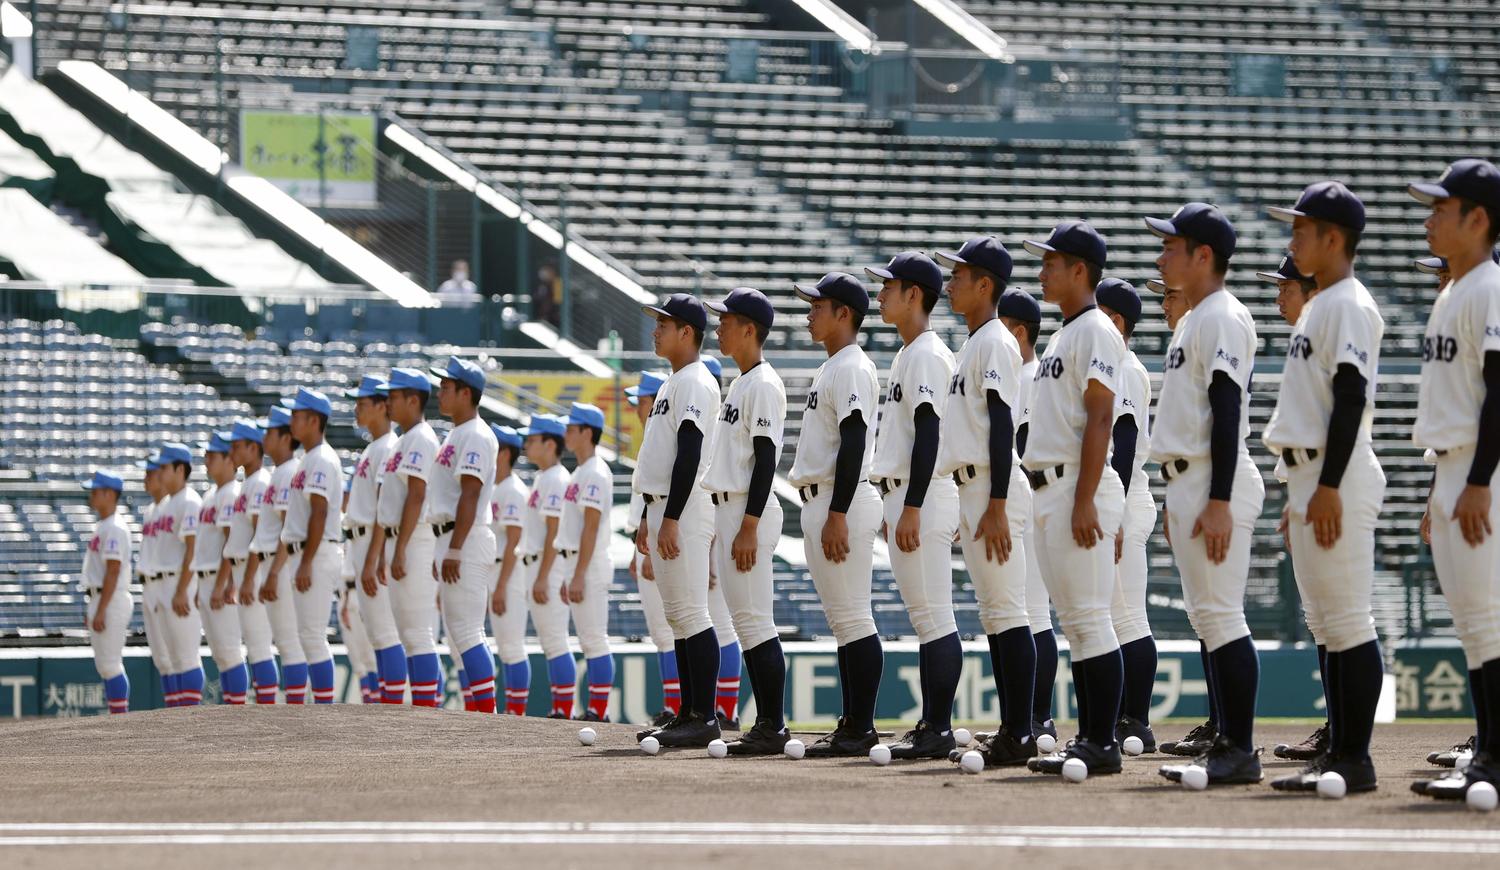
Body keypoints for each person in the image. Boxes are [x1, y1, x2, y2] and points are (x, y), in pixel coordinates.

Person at [1261, 181, 1386, 794]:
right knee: (1329, 624)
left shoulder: (1350, 304)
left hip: (1337, 473)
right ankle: (1337, 748)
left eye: (1301, 230)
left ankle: (1354, 758)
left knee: (1347, 620)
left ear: (1332, 239)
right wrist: (1301, 488)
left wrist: (1329, 484)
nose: (1293, 240)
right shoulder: (1320, 307)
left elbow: (1351, 395)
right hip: (1312, 473)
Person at [1147, 203, 1265, 787]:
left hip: (1213, 478)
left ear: (1204, 256)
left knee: (1220, 615)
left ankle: (1239, 749)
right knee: (1207, 616)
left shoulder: (1220, 315)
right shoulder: (1196, 317)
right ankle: (1225, 740)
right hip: (1189, 479)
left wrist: (1216, 498)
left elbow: (1226, 409)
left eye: (1173, 246)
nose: (1162, 253)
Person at [1018, 221, 1127, 778]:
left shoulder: (1096, 331)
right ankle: (1089, 737)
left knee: (1090, 618)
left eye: (1051, 262)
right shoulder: (1065, 335)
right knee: (1076, 622)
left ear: (1079, 270)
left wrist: (1084, 497)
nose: (1042, 270)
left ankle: (1102, 742)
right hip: (1049, 488)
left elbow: (1102, 415)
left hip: (1076, 488)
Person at [1408, 159, 1500, 801]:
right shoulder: (1453, 291)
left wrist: (1476, 479)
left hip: (1478, 469)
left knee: (1489, 622)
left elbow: (1498, 390)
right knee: (1472, 623)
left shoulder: (1490, 286)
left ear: (1479, 219)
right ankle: (1487, 754)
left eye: (1443, 208)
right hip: (1451, 466)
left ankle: (1494, 758)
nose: (1429, 218)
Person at [934, 238, 1037, 767]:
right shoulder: (976, 342)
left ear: (986, 285)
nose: (950, 282)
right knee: (996, 616)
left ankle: (1020, 731)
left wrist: (994, 502)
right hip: (974, 488)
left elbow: (1002, 424)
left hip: (993, 488)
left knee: (1006, 612)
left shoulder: (995, 340)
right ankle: (1012, 729)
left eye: (960, 274)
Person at [866, 252, 963, 761]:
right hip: (908, 493)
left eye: (889, 285)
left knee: (934, 617)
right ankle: (932, 724)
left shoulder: (925, 353)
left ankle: (938, 728)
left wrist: (913, 505)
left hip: (921, 495)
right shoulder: (910, 352)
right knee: (927, 617)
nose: (880, 293)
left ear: (915, 295)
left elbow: (930, 434)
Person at [788, 272, 884, 758]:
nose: (810, 313)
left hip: (838, 500)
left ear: (843, 313)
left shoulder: (850, 366)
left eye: (818, 305)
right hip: (824, 499)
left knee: (853, 617)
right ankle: (851, 722)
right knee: (843, 620)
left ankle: (861, 726)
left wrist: (839, 512)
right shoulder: (833, 366)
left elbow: (854, 440)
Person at [632, 293, 723, 748]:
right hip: (664, 506)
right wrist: (648, 517)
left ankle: (704, 716)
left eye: (663, 324)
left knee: (691, 613)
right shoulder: (675, 381)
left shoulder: (695, 381)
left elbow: (690, 454)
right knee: (678, 616)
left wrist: (668, 517)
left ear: (687, 332)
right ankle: (689, 712)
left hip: (682, 507)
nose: (656, 330)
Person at [702, 288, 789, 754]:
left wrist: (749, 524)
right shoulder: (741, 382)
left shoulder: (763, 384)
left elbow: (765, 458)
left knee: (756, 623)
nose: (719, 327)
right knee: (745, 621)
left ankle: (772, 725)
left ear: (749, 329)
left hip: (747, 511)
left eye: (727, 320)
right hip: (732, 509)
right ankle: (767, 725)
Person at [1095, 277, 1160, 754]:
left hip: (1125, 494)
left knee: (1127, 616)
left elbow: (1127, 441)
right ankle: (1121, 715)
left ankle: (1135, 718)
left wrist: (1112, 512)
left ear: (1116, 320)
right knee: (1110, 614)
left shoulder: (1127, 370)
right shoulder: (1106, 365)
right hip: (1111, 496)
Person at [996, 288, 1058, 745]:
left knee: (1034, 612)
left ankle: (1039, 716)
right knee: (1021, 610)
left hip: (1032, 497)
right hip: (1019, 497)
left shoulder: (1033, 377)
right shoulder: (1016, 375)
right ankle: (1023, 718)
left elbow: (1025, 443)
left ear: (1018, 332)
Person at [429, 356, 501, 713]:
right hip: (454, 536)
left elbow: (470, 493)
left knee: (469, 631)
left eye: (446, 387)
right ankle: (478, 714)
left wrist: (454, 549)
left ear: (466, 393)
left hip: (467, 538)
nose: (440, 392)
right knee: (459, 635)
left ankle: (486, 716)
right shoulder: (457, 433)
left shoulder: (475, 433)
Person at [270, 388, 344, 704]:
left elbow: (320, 512)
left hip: (317, 551)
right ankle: (319, 708)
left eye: (297, 416)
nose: (292, 422)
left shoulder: (322, 458)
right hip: (307, 551)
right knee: (306, 637)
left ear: (314, 421)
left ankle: (325, 711)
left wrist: (306, 561)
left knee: (313, 637)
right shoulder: (308, 459)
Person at [375, 368, 444, 706]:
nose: (388, 401)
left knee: (418, 634)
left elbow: (417, 495)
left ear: (413, 400)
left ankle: (426, 711)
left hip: (415, 538)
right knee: (409, 635)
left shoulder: (420, 437)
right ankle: (423, 706)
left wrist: (399, 548)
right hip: (401, 538)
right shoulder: (403, 440)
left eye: (394, 395)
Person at [346, 374, 408, 704]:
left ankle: (393, 711)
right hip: (362, 542)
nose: (356, 410)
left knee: (386, 633)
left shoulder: (387, 447)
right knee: (377, 635)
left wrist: (374, 559)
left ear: (383, 406)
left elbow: (384, 509)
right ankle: (387, 704)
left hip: (373, 542)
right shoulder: (375, 447)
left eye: (362, 403)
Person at [625, 372, 682, 725]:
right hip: (645, 535)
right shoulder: (649, 438)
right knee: (661, 633)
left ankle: (679, 707)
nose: (637, 407)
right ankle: (672, 704)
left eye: (642, 400)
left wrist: (648, 552)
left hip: (658, 536)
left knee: (671, 629)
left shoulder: (662, 437)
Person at [558, 402, 616, 722]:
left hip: (588, 563)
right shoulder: (580, 471)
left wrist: (578, 575)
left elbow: (591, 527)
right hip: (577, 562)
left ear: (587, 433)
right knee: (587, 639)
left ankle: (599, 710)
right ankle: (595, 708)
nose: (567, 433)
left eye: (572, 428)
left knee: (595, 638)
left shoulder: (595, 471)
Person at [248, 406, 307, 703]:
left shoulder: (287, 472)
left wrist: (273, 572)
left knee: (290, 643)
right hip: (274, 562)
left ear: (285, 438)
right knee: (286, 643)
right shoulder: (279, 473)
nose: (264, 437)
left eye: (270, 432)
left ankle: (298, 715)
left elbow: (289, 525)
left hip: (280, 564)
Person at [522, 414, 576, 718]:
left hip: (550, 567)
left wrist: (543, 577)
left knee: (556, 641)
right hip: (539, 565)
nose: (527, 445)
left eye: (532, 439)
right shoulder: (544, 477)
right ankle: (560, 708)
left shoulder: (556, 477)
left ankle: (563, 711)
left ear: (550, 443)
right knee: (550, 641)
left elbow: (554, 529)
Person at [226, 419, 279, 704]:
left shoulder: (259, 482)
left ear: (253, 448)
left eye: (237, 446)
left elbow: (260, 530)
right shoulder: (249, 482)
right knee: (254, 647)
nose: (232, 452)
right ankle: (263, 708)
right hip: (244, 569)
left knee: (259, 647)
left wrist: (248, 579)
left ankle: (267, 712)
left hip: (253, 570)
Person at [196, 431, 249, 705]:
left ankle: (237, 712)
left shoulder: (231, 493)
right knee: (220, 654)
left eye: (212, 456)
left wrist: (223, 584)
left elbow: (232, 538)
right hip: (206, 578)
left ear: (230, 460)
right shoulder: (210, 494)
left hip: (220, 578)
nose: (206, 460)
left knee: (230, 652)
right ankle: (231, 710)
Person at [487, 423, 531, 715]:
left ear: (503, 453)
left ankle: (517, 714)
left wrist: (501, 585)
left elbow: (514, 539)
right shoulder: (495, 487)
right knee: (503, 646)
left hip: (508, 572)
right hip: (493, 570)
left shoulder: (512, 489)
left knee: (512, 645)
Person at [158, 442, 206, 707]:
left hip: (180, 583)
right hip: (166, 582)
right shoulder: (168, 503)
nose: (160, 473)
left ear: (180, 470)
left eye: (165, 467)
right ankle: (177, 721)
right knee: (175, 659)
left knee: (186, 657)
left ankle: (190, 721)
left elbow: (192, 548)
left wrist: (181, 589)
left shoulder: (189, 501)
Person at [81, 470, 132, 714]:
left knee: (111, 665)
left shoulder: (115, 527)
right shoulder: (104, 525)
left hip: (110, 599)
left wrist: (100, 609)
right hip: (101, 597)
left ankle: (119, 720)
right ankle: (117, 715)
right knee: (105, 666)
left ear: (109, 494)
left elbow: (113, 570)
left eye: (96, 490)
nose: (91, 495)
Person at [136, 456, 175, 705]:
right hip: (149, 584)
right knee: (161, 658)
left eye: (151, 473)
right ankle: (173, 710)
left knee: (174, 656)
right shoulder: (150, 511)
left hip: (167, 583)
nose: (146, 479)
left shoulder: (173, 505)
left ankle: (184, 712)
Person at [339, 471, 380, 703]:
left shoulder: (366, 525)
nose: (346, 497)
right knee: (360, 661)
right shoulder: (349, 525)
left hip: (363, 590)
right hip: (348, 593)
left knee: (372, 657)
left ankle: (378, 707)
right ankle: (370, 704)